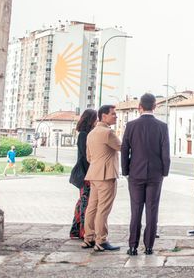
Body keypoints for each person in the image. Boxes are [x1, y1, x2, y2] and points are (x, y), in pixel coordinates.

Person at [122, 93, 171, 256]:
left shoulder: (130, 125)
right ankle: (149, 246)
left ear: (139, 107)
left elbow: (124, 150)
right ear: (155, 106)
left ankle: (133, 246)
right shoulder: (162, 127)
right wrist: (165, 172)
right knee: (152, 210)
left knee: (136, 210)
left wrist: (125, 170)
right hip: (155, 174)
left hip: (135, 173)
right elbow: (165, 152)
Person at [82, 105, 122, 252]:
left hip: (94, 174)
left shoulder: (91, 133)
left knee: (92, 208)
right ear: (104, 116)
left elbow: (89, 156)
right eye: (113, 114)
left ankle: (89, 238)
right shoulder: (108, 132)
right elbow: (122, 147)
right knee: (103, 209)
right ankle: (101, 240)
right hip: (106, 175)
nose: (115, 116)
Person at [69, 109, 98, 239]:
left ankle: (77, 230)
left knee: (82, 202)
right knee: (86, 203)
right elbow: (85, 157)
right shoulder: (83, 135)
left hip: (87, 173)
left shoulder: (87, 134)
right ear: (90, 119)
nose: (97, 121)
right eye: (95, 118)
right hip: (85, 174)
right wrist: (90, 175)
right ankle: (83, 231)